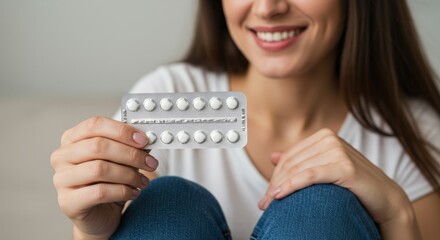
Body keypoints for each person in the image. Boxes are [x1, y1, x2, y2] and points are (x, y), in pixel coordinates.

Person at [50, 0, 440, 239]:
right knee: (167, 203)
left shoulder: (414, 132)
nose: (268, 7)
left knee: (323, 209)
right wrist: (93, 231)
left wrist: (395, 211)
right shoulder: (168, 94)